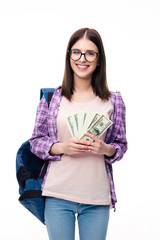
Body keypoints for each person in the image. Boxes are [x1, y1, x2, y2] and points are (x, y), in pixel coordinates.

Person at [29, 28, 128, 240]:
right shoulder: (51, 98)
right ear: (69, 56)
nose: (82, 59)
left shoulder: (114, 101)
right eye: (76, 52)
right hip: (57, 194)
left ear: (99, 59)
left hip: (96, 196)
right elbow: (35, 142)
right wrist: (61, 147)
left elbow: (121, 146)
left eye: (90, 53)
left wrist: (105, 148)